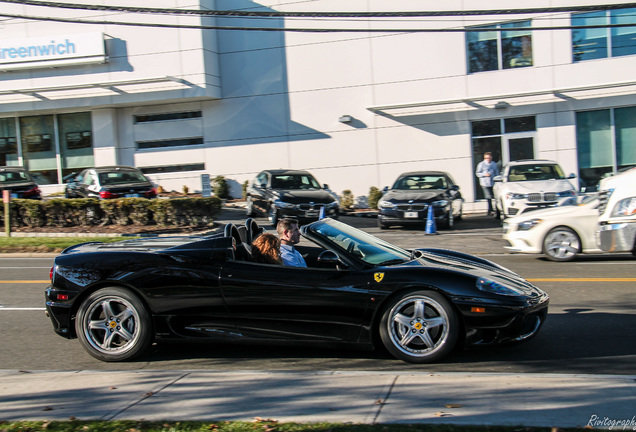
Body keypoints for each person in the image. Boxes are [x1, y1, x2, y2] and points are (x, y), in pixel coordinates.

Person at [475, 152, 500, 216]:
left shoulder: (494, 164)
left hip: (493, 182)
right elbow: (477, 173)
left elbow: (496, 172)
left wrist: (497, 179)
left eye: (489, 158)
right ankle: (490, 210)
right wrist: (484, 174)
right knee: (488, 197)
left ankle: (497, 210)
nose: (487, 159)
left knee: (495, 196)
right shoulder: (481, 164)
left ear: (491, 157)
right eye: (486, 158)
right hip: (485, 183)